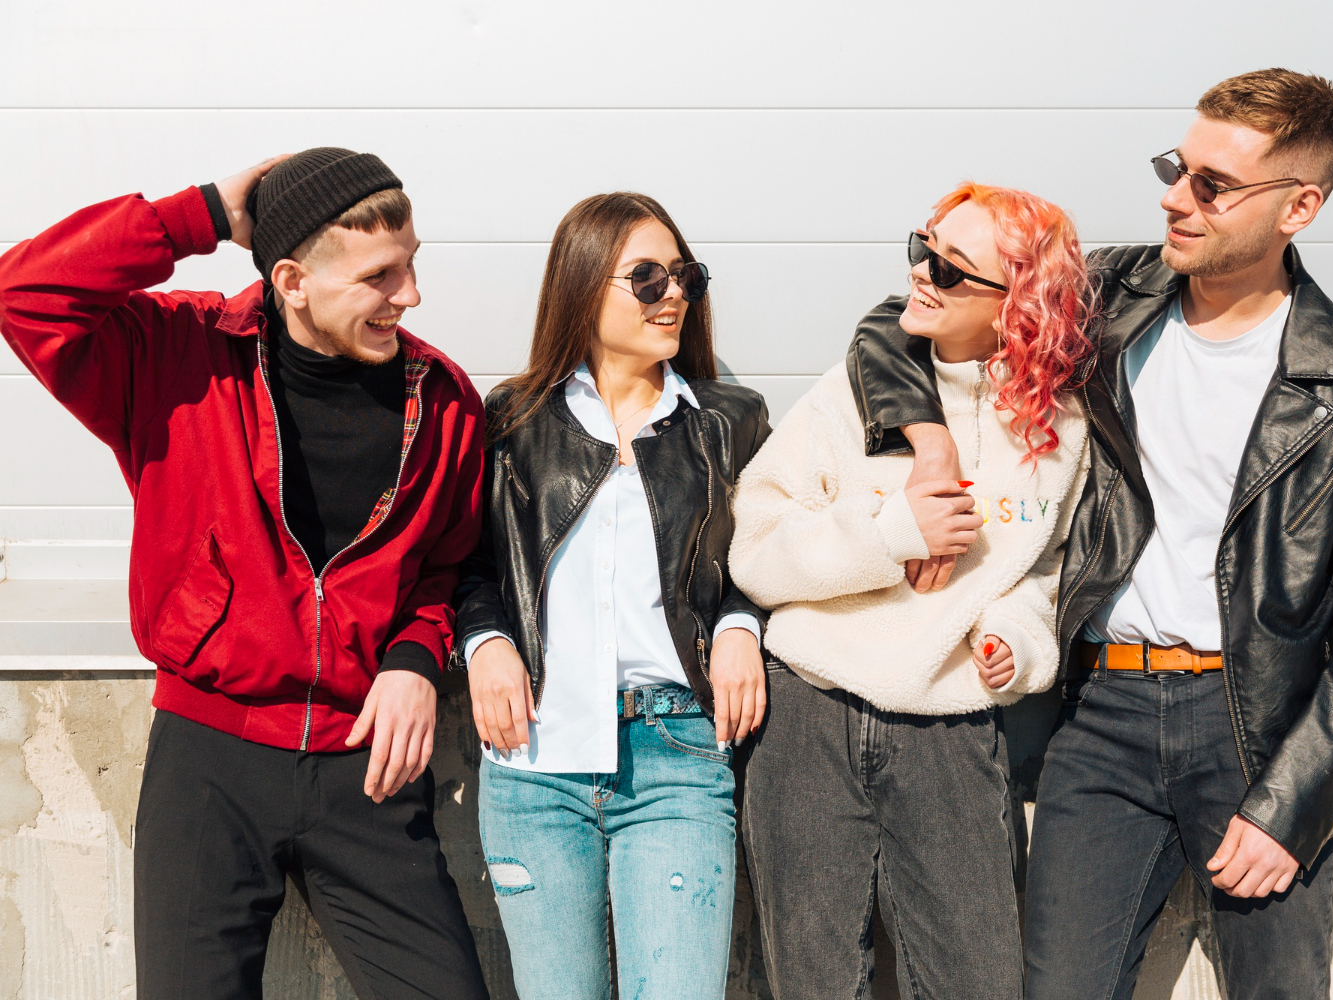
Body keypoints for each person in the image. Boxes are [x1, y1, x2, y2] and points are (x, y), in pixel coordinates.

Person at [847, 69, 1333, 999]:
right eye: (1178, 166)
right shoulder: (1107, 296)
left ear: (1301, 206)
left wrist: (1295, 803)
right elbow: (903, 315)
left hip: (1260, 732)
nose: (1175, 197)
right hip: (1103, 719)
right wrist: (923, 441)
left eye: (1213, 184)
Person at [0, 149, 490, 998]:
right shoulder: (173, 359)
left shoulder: (442, 400)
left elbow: (448, 562)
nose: (410, 295)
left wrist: (415, 661)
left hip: (361, 758)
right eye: (379, 276)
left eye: (412, 265)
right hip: (209, 760)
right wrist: (199, 215)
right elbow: (24, 294)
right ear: (294, 279)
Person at [729, 183, 1095, 999]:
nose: (922, 276)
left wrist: (1019, 642)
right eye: (922, 249)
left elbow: (1044, 574)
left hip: (952, 728)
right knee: (814, 983)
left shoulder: (1057, 432)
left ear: (1020, 304)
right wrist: (889, 533)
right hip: (806, 715)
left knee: (980, 982)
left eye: (954, 269)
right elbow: (753, 546)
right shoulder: (846, 390)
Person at [453, 191, 770, 1000]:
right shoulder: (512, 419)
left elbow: (770, 558)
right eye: (648, 278)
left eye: (685, 277)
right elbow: (466, 564)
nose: (674, 296)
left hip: (679, 758)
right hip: (533, 761)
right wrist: (486, 644)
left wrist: (739, 625)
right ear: (584, 286)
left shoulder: (728, 421)